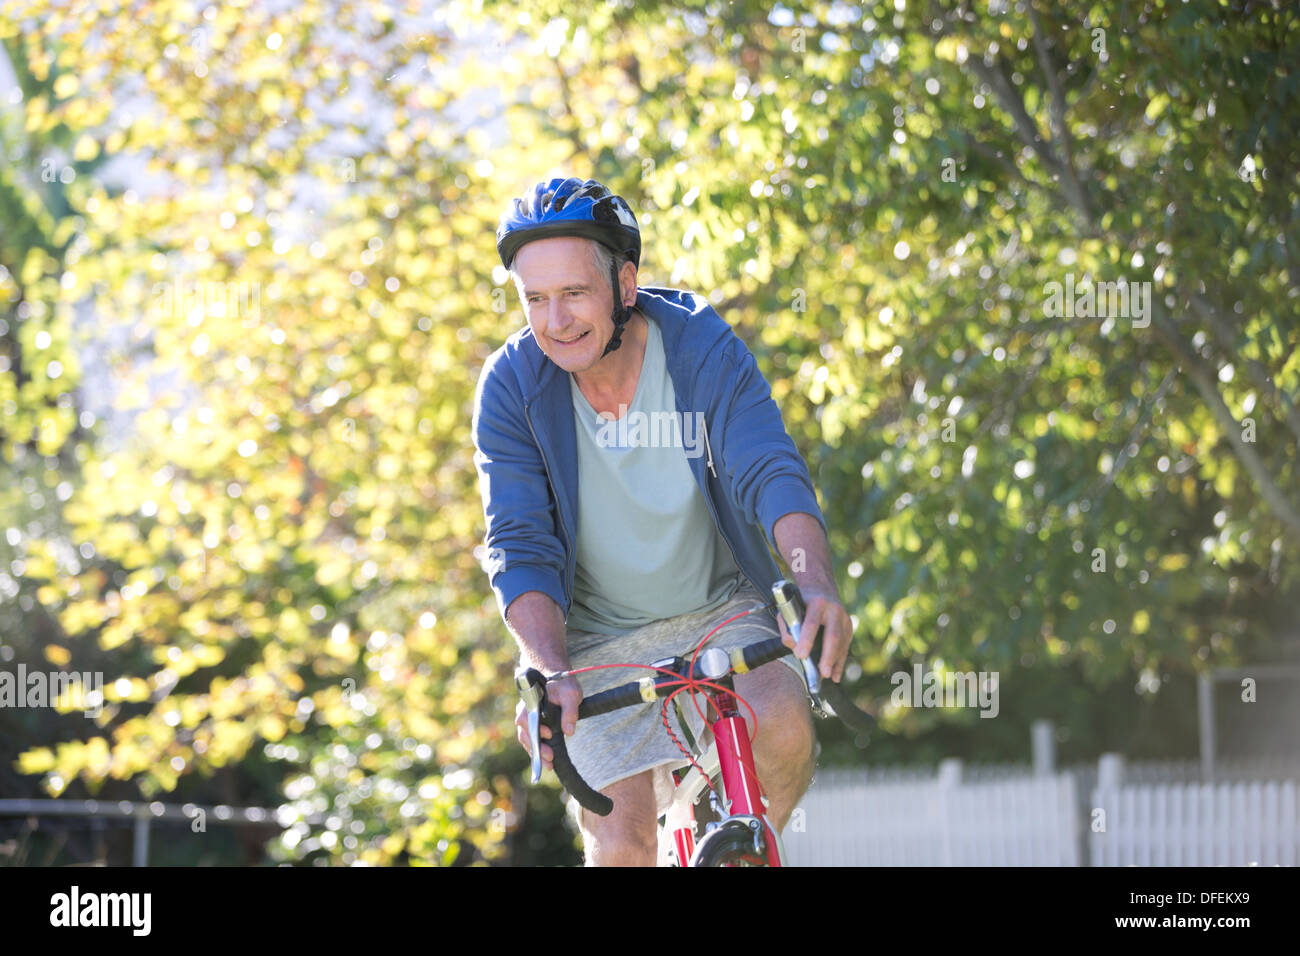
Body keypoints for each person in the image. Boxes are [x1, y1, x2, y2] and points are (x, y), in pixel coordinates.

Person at [472, 176, 853, 865]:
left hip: (718, 607)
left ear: (624, 283)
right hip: (589, 640)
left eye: (574, 294)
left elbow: (768, 469)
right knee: (621, 843)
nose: (555, 321)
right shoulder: (511, 388)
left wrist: (815, 583)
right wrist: (547, 669)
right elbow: (518, 544)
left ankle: (722, 845)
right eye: (536, 300)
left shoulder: (701, 347)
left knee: (786, 726)